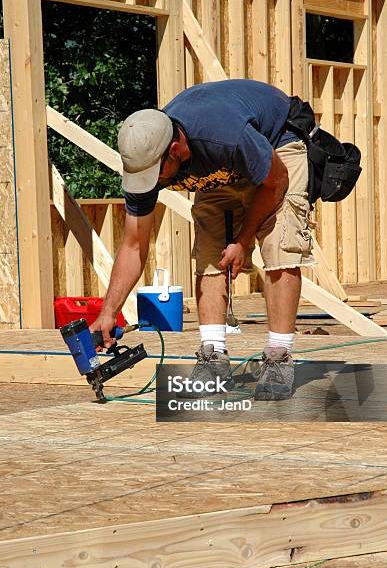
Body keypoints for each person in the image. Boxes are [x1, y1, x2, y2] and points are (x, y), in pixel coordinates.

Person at [91, 79, 316, 400]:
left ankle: (279, 356)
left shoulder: (224, 134)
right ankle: (213, 359)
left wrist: (244, 239)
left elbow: (276, 181)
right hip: (219, 171)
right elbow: (133, 244)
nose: (151, 184)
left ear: (175, 151)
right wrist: (108, 310)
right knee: (210, 252)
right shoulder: (146, 158)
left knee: (280, 244)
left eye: (156, 175)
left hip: (275, 147)